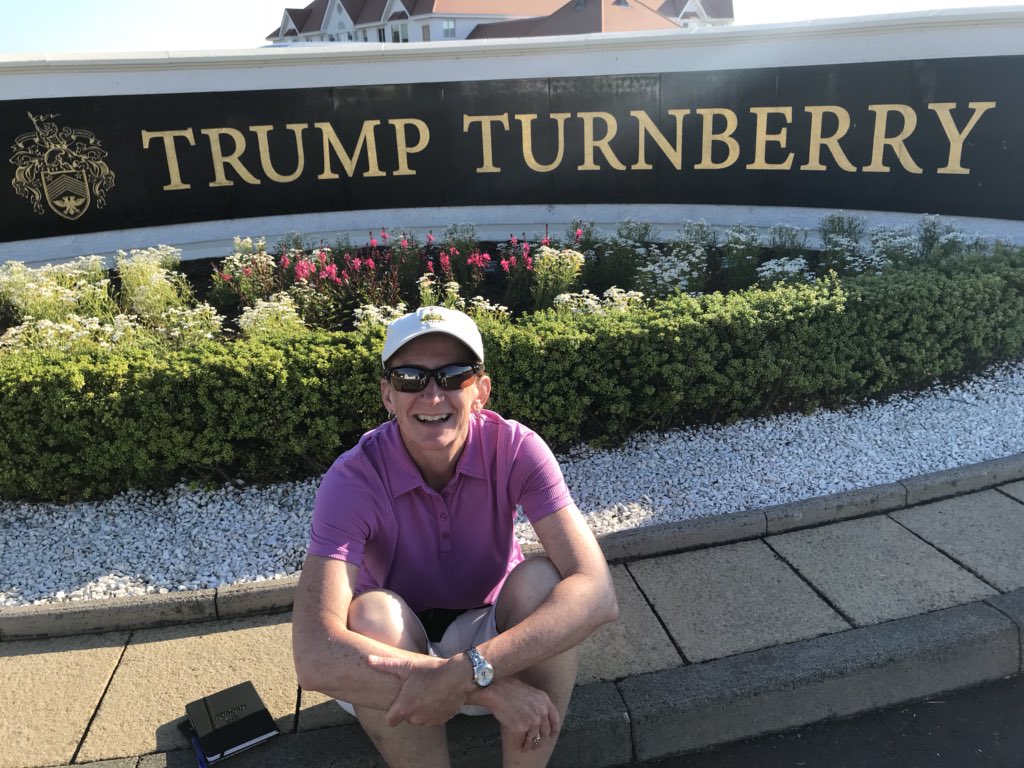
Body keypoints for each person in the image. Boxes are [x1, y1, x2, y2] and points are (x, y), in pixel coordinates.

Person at [292, 305, 619, 767]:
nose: (432, 395)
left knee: (544, 583)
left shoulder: (516, 448)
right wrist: (485, 688)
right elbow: (314, 655)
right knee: (372, 615)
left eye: (453, 376)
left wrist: (470, 668)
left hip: (490, 639)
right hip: (399, 658)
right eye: (410, 378)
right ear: (388, 395)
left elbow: (597, 592)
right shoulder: (352, 479)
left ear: (480, 391)